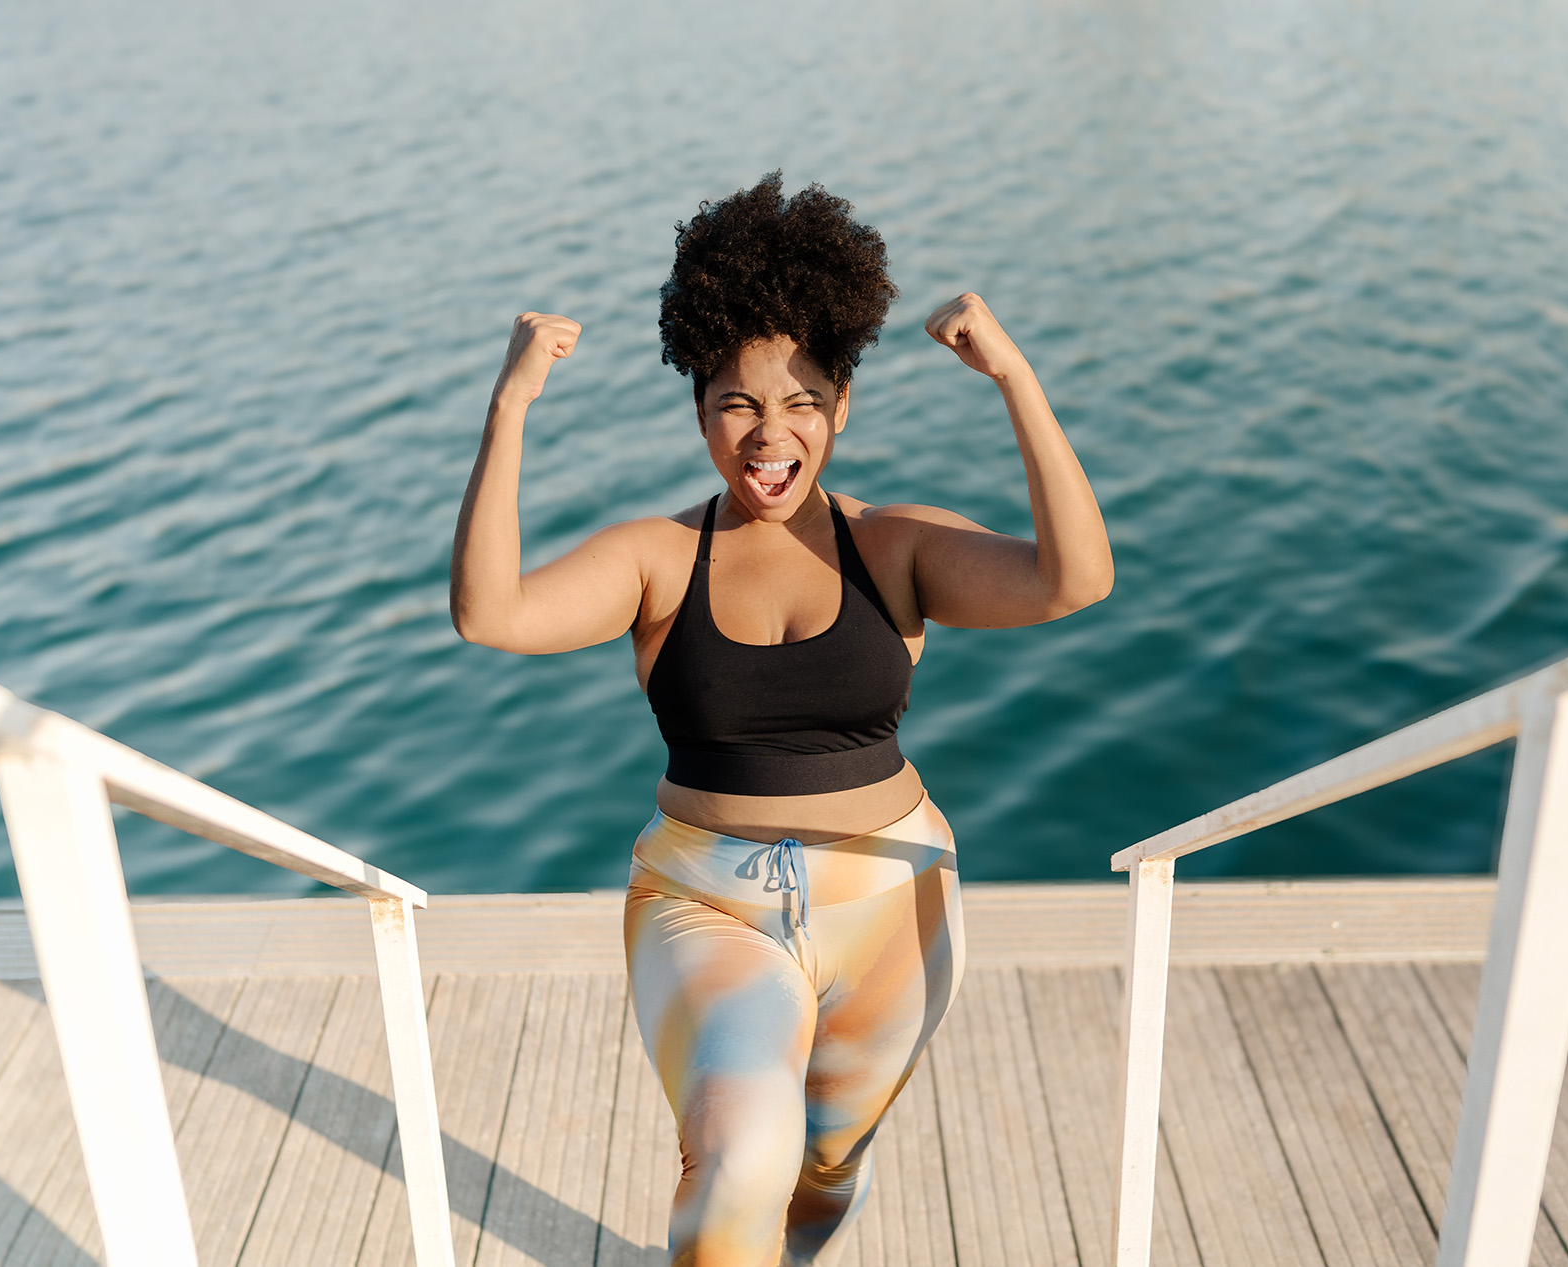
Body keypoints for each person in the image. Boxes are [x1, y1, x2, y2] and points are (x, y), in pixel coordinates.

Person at [450, 172, 1112, 1267]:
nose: (770, 435)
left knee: (818, 1174)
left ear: (842, 407)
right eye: (737, 403)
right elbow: (492, 613)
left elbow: (1069, 580)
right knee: (734, 1170)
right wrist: (509, 404)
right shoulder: (657, 560)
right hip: (708, 900)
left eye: (802, 400)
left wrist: (1014, 379)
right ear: (700, 410)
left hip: (895, 901)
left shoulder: (892, 546)